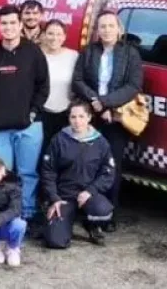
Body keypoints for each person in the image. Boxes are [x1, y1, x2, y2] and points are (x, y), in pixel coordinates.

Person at [0, 4, 49, 231]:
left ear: (20, 25)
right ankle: (2, 217)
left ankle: (25, 216)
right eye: (4, 23)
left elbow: (43, 86)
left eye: (12, 23)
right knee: (1, 176)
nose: (8, 27)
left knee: (28, 173)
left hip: (29, 127)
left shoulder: (34, 52)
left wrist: (33, 111)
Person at [72, 10, 142, 231]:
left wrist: (107, 103)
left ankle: (108, 214)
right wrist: (96, 102)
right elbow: (78, 80)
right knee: (87, 164)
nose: (106, 30)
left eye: (111, 26)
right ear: (97, 31)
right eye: (102, 26)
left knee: (111, 166)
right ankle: (87, 211)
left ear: (119, 29)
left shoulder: (131, 54)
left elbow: (133, 86)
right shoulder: (88, 52)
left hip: (117, 117)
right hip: (91, 116)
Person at [41, 101, 115, 248]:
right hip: (64, 196)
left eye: (81, 116)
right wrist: (54, 198)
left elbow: (108, 172)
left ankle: (91, 225)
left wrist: (90, 191)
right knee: (55, 241)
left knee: (103, 211)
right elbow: (48, 171)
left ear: (89, 117)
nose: (77, 121)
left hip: (88, 195)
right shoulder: (59, 139)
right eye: (73, 117)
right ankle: (62, 223)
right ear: (68, 119)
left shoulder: (101, 142)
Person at [40, 20, 79, 151]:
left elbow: (79, 83)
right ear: (44, 35)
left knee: (63, 152)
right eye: (50, 33)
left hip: (66, 113)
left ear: (64, 36)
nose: (54, 38)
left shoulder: (73, 56)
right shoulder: (37, 56)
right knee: (43, 151)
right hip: (41, 113)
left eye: (58, 34)